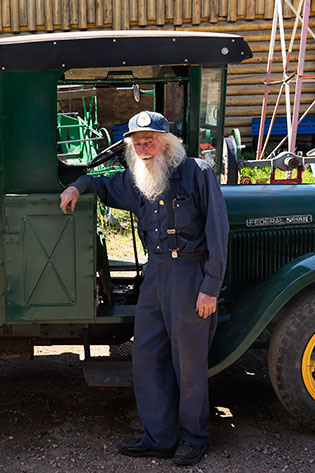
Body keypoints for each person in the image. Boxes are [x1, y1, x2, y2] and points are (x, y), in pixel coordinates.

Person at [59, 111, 229, 466]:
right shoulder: (137, 179)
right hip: (155, 275)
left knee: (189, 361)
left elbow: (218, 231)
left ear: (167, 143)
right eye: (137, 144)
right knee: (147, 355)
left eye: (150, 141)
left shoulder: (197, 172)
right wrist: (78, 186)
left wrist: (210, 286)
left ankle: (195, 436)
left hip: (189, 274)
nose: (144, 148)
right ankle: (160, 437)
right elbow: (104, 185)